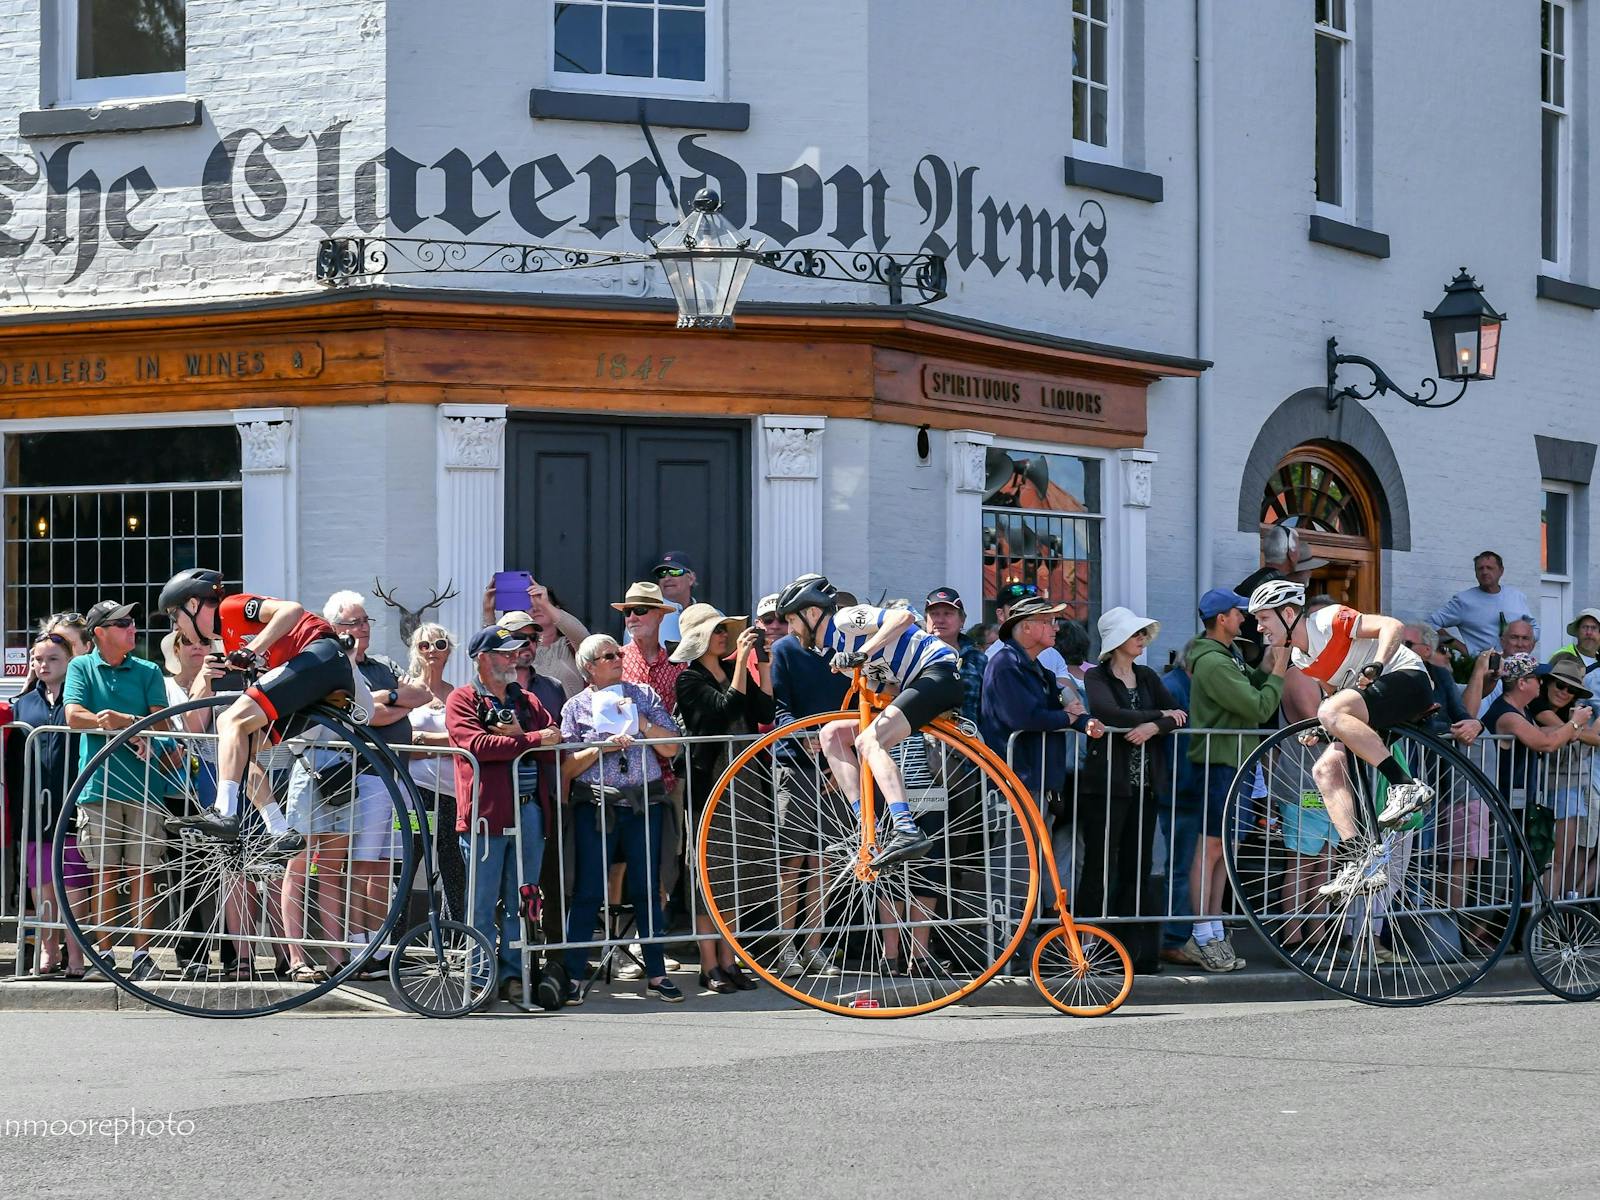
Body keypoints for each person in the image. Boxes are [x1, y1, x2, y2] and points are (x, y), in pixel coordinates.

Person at [1247, 580, 1437, 899]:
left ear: (1289, 612)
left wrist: (1376, 663)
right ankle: (1359, 859)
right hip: (1370, 706)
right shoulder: (1303, 659)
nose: (1259, 627)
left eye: (1263, 618)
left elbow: (1392, 625)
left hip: (1406, 681)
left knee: (1330, 711)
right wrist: (1326, 729)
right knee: (1325, 770)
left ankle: (1404, 784)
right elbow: (1335, 696)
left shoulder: (1326, 619)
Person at [159, 569, 363, 854]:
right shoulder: (229, 642)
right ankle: (279, 830)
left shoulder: (231, 607)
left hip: (321, 657)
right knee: (243, 749)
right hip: (318, 686)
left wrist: (252, 650)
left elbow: (291, 610)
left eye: (174, 617)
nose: (177, 627)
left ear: (192, 605)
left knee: (229, 720)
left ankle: (224, 812)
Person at [776, 574, 964, 868]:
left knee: (869, 740)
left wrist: (862, 653)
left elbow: (903, 617)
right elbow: (885, 691)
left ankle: (905, 827)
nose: (790, 630)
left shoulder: (845, 619)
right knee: (832, 735)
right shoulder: (836, 652)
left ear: (811, 613)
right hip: (913, 688)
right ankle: (868, 828)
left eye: (791, 620)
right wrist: (860, 671)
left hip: (937, 674)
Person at [559, 634, 683, 1004]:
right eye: (607, 655)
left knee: (648, 889)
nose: (617, 658)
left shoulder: (643, 694)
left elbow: (671, 745)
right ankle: (574, 975)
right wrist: (601, 746)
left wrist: (641, 723)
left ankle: (657, 974)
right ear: (589, 668)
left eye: (618, 653)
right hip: (596, 806)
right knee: (588, 892)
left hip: (643, 803)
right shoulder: (576, 707)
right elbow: (567, 765)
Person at [446, 625, 564, 1005]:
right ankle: (480, 979)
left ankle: (514, 977)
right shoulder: (462, 699)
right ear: (482, 658)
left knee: (523, 897)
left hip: (528, 811)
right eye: (505, 652)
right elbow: (478, 745)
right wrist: (526, 740)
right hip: (486, 814)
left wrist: (528, 738)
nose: (514, 658)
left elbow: (554, 740)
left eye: (516, 652)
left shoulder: (525, 700)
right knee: (481, 903)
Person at [63, 600, 172, 982]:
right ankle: (104, 954)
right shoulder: (80, 666)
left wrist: (128, 722)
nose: (132, 627)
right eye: (122, 623)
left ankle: (143, 954)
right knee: (104, 871)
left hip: (145, 788)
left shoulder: (148, 669)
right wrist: (109, 722)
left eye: (132, 621)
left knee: (142, 870)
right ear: (99, 632)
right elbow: (73, 716)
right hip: (98, 786)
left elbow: (164, 726)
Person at [1180, 587, 1286, 971]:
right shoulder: (1214, 662)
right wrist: (1277, 671)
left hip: (1235, 762)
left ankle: (1215, 927)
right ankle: (1202, 932)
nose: (1245, 618)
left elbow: (1249, 690)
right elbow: (1258, 706)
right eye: (1238, 613)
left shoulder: (1229, 655)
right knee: (1211, 849)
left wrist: (1267, 666)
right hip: (1221, 763)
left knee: (1225, 851)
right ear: (1221, 619)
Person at [671, 604, 773, 989]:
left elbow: (763, 711)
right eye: (716, 631)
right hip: (710, 778)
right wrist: (743, 658)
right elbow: (723, 707)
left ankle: (729, 959)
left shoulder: (733, 671)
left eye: (724, 630)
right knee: (707, 872)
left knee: (734, 871)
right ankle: (708, 962)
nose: (724, 636)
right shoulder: (688, 680)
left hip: (742, 777)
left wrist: (762, 665)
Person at [1079, 607, 1185, 973]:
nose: (1141, 639)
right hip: (1106, 787)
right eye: (1135, 633)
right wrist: (1158, 719)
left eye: (1142, 633)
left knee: (1137, 867)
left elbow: (1181, 712)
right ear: (1116, 642)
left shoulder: (1147, 675)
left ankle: (1134, 952)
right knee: (1099, 867)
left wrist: (1154, 728)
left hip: (1145, 787)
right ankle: (1088, 950)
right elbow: (1108, 713)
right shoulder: (1097, 676)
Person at [769, 605, 850, 977]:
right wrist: (806, 736)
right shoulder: (785, 649)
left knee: (824, 862)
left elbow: (856, 707)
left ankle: (815, 947)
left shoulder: (845, 649)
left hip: (837, 764)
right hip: (795, 763)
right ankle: (787, 948)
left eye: (792, 617)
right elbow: (780, 708)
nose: (787, 625)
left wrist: (845, 756)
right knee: (791, 862)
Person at [12, 632, 84, 977]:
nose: (43, 665)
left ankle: (77, 954)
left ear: (69, 661)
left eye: (53, 659)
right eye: (38, 659)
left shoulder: (78, 699)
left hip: (72, 803)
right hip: (36, 806)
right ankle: (47, 948)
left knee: (72, 881)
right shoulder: (24, 703)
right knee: (41, 882)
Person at [403, 622, 468, 924]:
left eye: (439, 644)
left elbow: (465, 738)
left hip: (453, 793)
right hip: (415, 791)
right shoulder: (405, 688)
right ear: (415, 650)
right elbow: (403, 742)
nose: (432, 650)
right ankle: (395, 941)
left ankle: (454, 938)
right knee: (407, 863)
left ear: (449, 651)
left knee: (454, 865)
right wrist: (443, 745)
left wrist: (424, 742)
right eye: (424, 645)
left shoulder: (457, 695)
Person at [1524, 654, 1600, 898]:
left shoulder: (1575, 713)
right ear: (1547, 683)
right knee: (1541, 861)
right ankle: (1533, 924)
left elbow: (1578, 736)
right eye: (1560, 685)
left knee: (1560, 861)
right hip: (1541, 792)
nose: (1564, 692)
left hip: (1570, 790)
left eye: (1571, 689)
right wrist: (1575, 728)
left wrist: (1574, 730)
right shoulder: (1535, 705)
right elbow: (1560, 734)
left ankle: (1549, 920)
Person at [483, 577, 589, 699]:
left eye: (540, 603)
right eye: (529, 605)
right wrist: (488, 611)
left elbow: (585, 640)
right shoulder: (519, 651)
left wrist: (545, 605)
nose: (536, 608)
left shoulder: (567, 645)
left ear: (556, 608)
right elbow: (493, 649)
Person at [1428, 550, 1539, 655]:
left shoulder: (1516, 597)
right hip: (1482, 666)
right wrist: (1463, 649)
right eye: (1480, 569)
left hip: (1515, 666)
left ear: (1501, 571)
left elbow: (1534, 628)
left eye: (1489, 568)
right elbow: (1431, 623)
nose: (1485, 572)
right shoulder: (1463, 601)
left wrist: (1525, 649)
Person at [923, 587, 985, 725]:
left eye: (948, 614)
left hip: (968, 740)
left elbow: (988, 706)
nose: (940, 620)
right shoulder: (913, 654)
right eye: (934, 614)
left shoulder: (977, 658)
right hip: (920, 741)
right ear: (925, 620)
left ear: (962, 620)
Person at [651, 550, 699, 645]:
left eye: (675, 572)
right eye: (662, 573)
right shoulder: (647, 618)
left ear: (691, 578)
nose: (667, 578)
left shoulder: (713, 616)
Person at [1556, 608, 1600, 672]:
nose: (1589, 632)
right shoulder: (1563, 658)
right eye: (1584, 627)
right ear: (1577, 631)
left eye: (1594, 628)